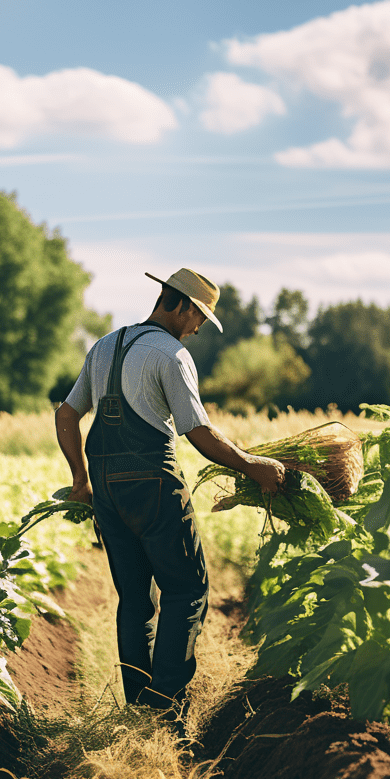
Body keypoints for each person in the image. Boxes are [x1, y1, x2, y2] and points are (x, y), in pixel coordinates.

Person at [54, 267, 286, 719]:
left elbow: (66, 415)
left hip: (107, 492)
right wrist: (252, 465)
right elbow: (197, 431)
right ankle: (164, 708)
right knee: (188, 590)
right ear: (178, 303)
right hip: (155, 486)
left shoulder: (103, 346)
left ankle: (138, 709)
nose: (199, 326)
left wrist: (82, 481)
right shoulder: (172, 356)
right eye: (199, 315)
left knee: (136, 600)